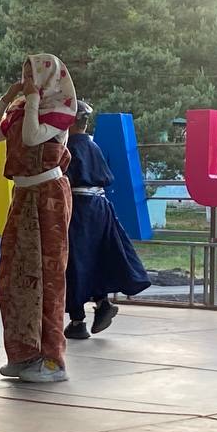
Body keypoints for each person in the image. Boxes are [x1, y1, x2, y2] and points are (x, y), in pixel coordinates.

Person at [0, 54, 76, 383]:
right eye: (24, 75)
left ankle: (52, 359)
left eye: (32, 75)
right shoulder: (21, 109)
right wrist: (6, 99)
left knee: (47, 277)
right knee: (16, 275)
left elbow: (33, 138)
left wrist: (32, 98)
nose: (26, 81)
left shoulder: (59, 111)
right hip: (22, 195)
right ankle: (24, 351)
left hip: (47, 196)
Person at [63, 101, 151, 339]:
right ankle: (101, 303)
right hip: (100, 208)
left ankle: (77, 320)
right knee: (97, 256)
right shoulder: (93, 146)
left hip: (78, 209)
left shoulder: (67, 148)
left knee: (74, 261)